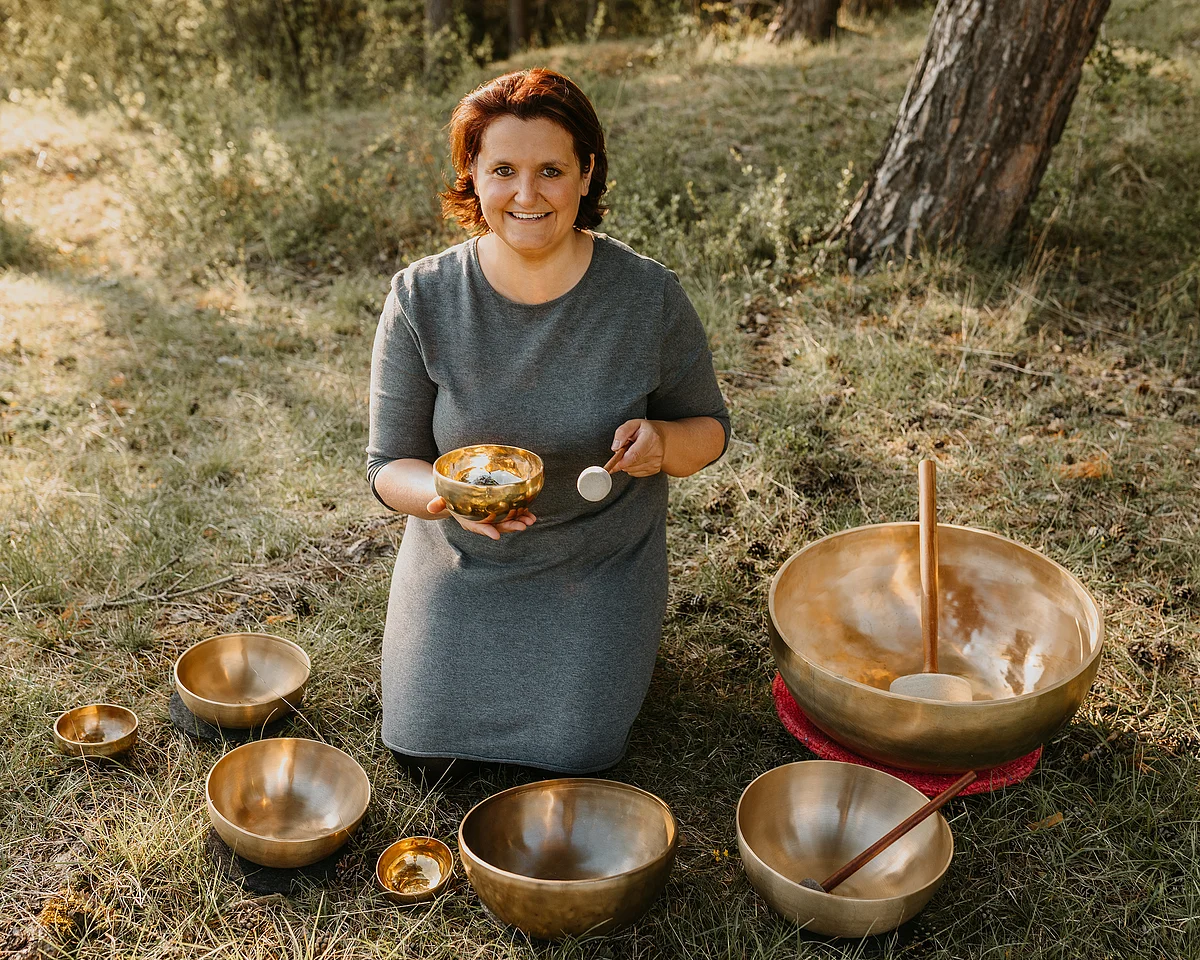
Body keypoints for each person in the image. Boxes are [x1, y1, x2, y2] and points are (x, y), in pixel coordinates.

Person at [367, 67, 729, 775]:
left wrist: (662, 445)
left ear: (587, 172)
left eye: (551, 170)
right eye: (502, 169)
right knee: (423, 750)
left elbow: (708, 429)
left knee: (574, 754)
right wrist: (445, 501)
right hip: (462, 560)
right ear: (472, 174)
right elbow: (388, 467)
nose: (526, 195)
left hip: (598, 565)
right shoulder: (421, 297)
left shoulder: (647, 296)